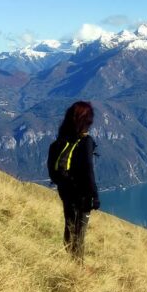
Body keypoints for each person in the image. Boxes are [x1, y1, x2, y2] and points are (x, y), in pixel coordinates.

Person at [47, 101, 100, 261]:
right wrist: (94, 196)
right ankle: (76, 269)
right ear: (87, 120)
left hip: (65, 190)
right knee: (80, 233)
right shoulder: (86, 141)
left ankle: (68, 261)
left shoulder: (63, 139)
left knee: (69, 226)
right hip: (82, 194)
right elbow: (88, 170)